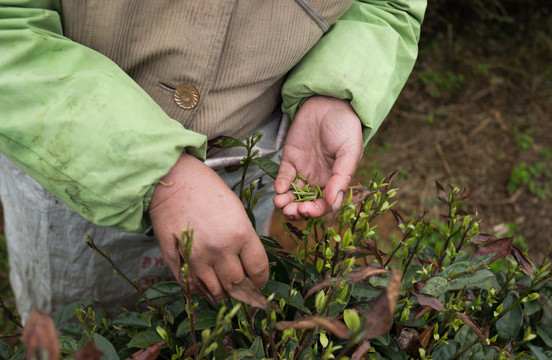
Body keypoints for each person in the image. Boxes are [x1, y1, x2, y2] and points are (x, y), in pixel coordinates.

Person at [0, 0, 426, 322]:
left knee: (206, 319)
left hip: (252, 161)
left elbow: (387, 6)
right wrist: (160, 174)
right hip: (75, 155)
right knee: (81, 323)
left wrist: (334, 89)